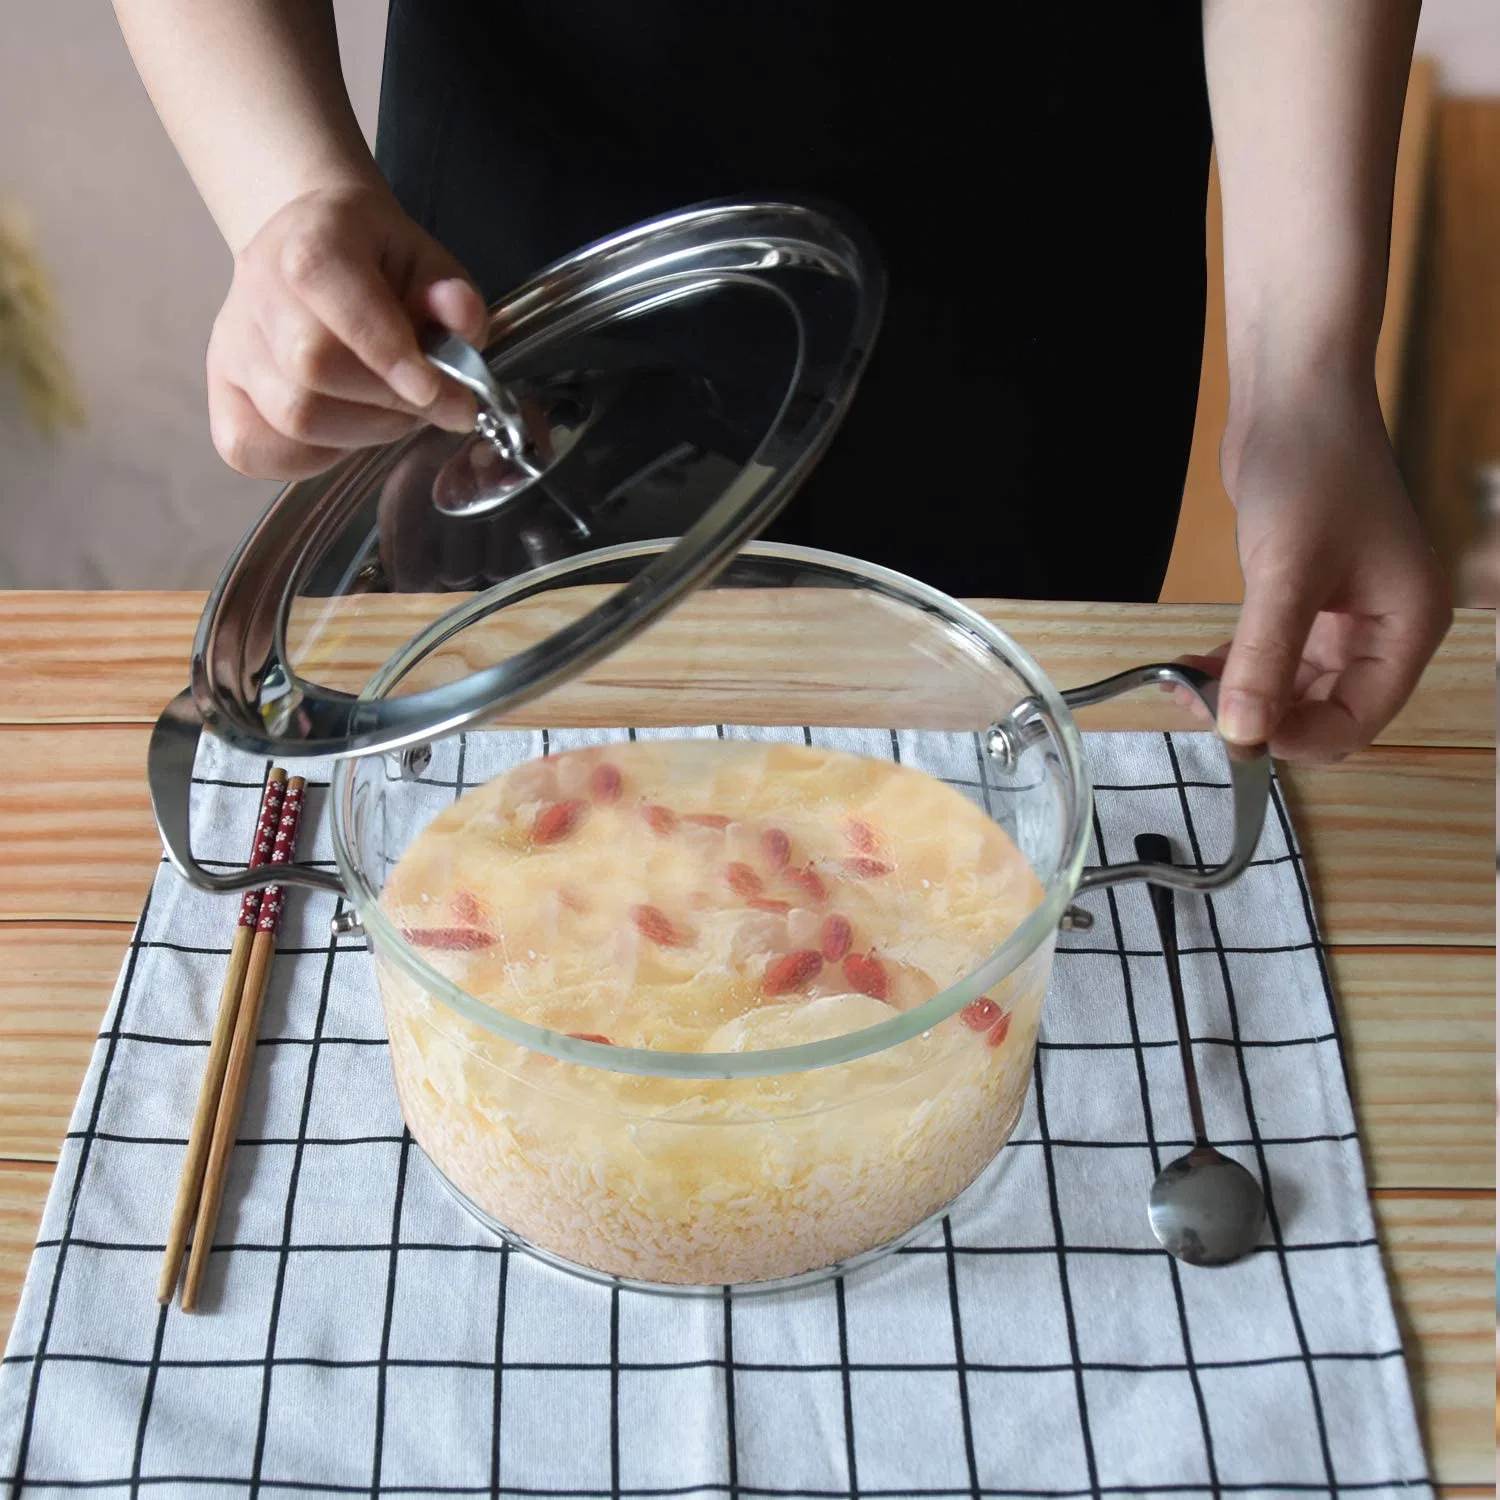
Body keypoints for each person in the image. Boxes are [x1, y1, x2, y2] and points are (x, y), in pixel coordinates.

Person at [113, 1, 1449, 762]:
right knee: (528, 776)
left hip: (1042, 250)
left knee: (983, 763)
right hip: (525, 282)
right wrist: (288, 195)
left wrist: (1310, 371)